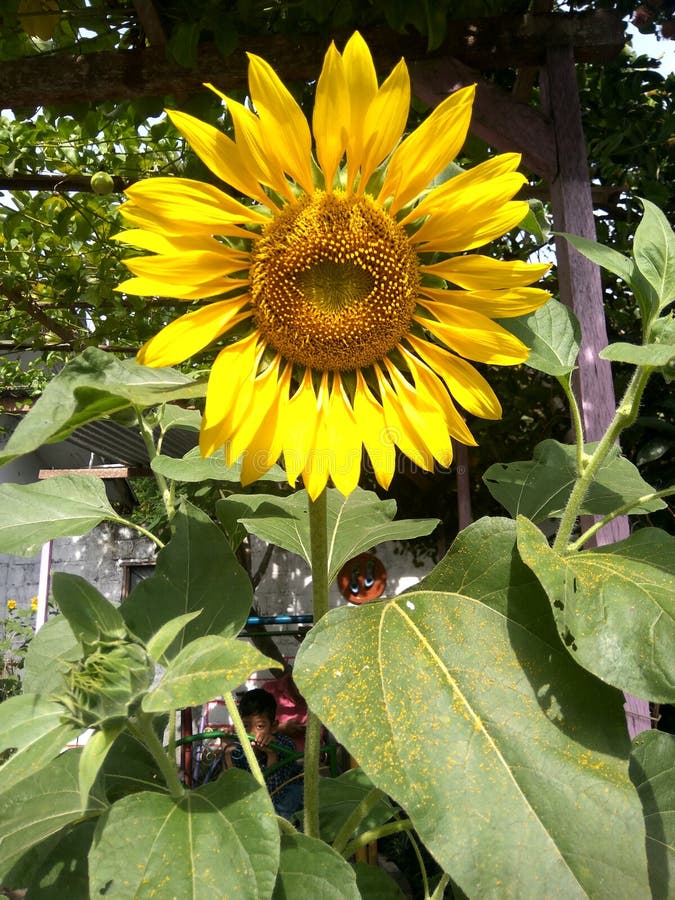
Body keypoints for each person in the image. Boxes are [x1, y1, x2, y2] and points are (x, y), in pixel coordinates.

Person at [223, 688, 303, 821]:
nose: (253, 733)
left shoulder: (286, 747)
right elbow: (233, 789)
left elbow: (272, 796)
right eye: (246, 726)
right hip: (249, 809)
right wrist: (226, 749)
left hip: (282, 813)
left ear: (274, 727)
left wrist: (272, 756)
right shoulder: (237, 747)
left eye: (260, 726)